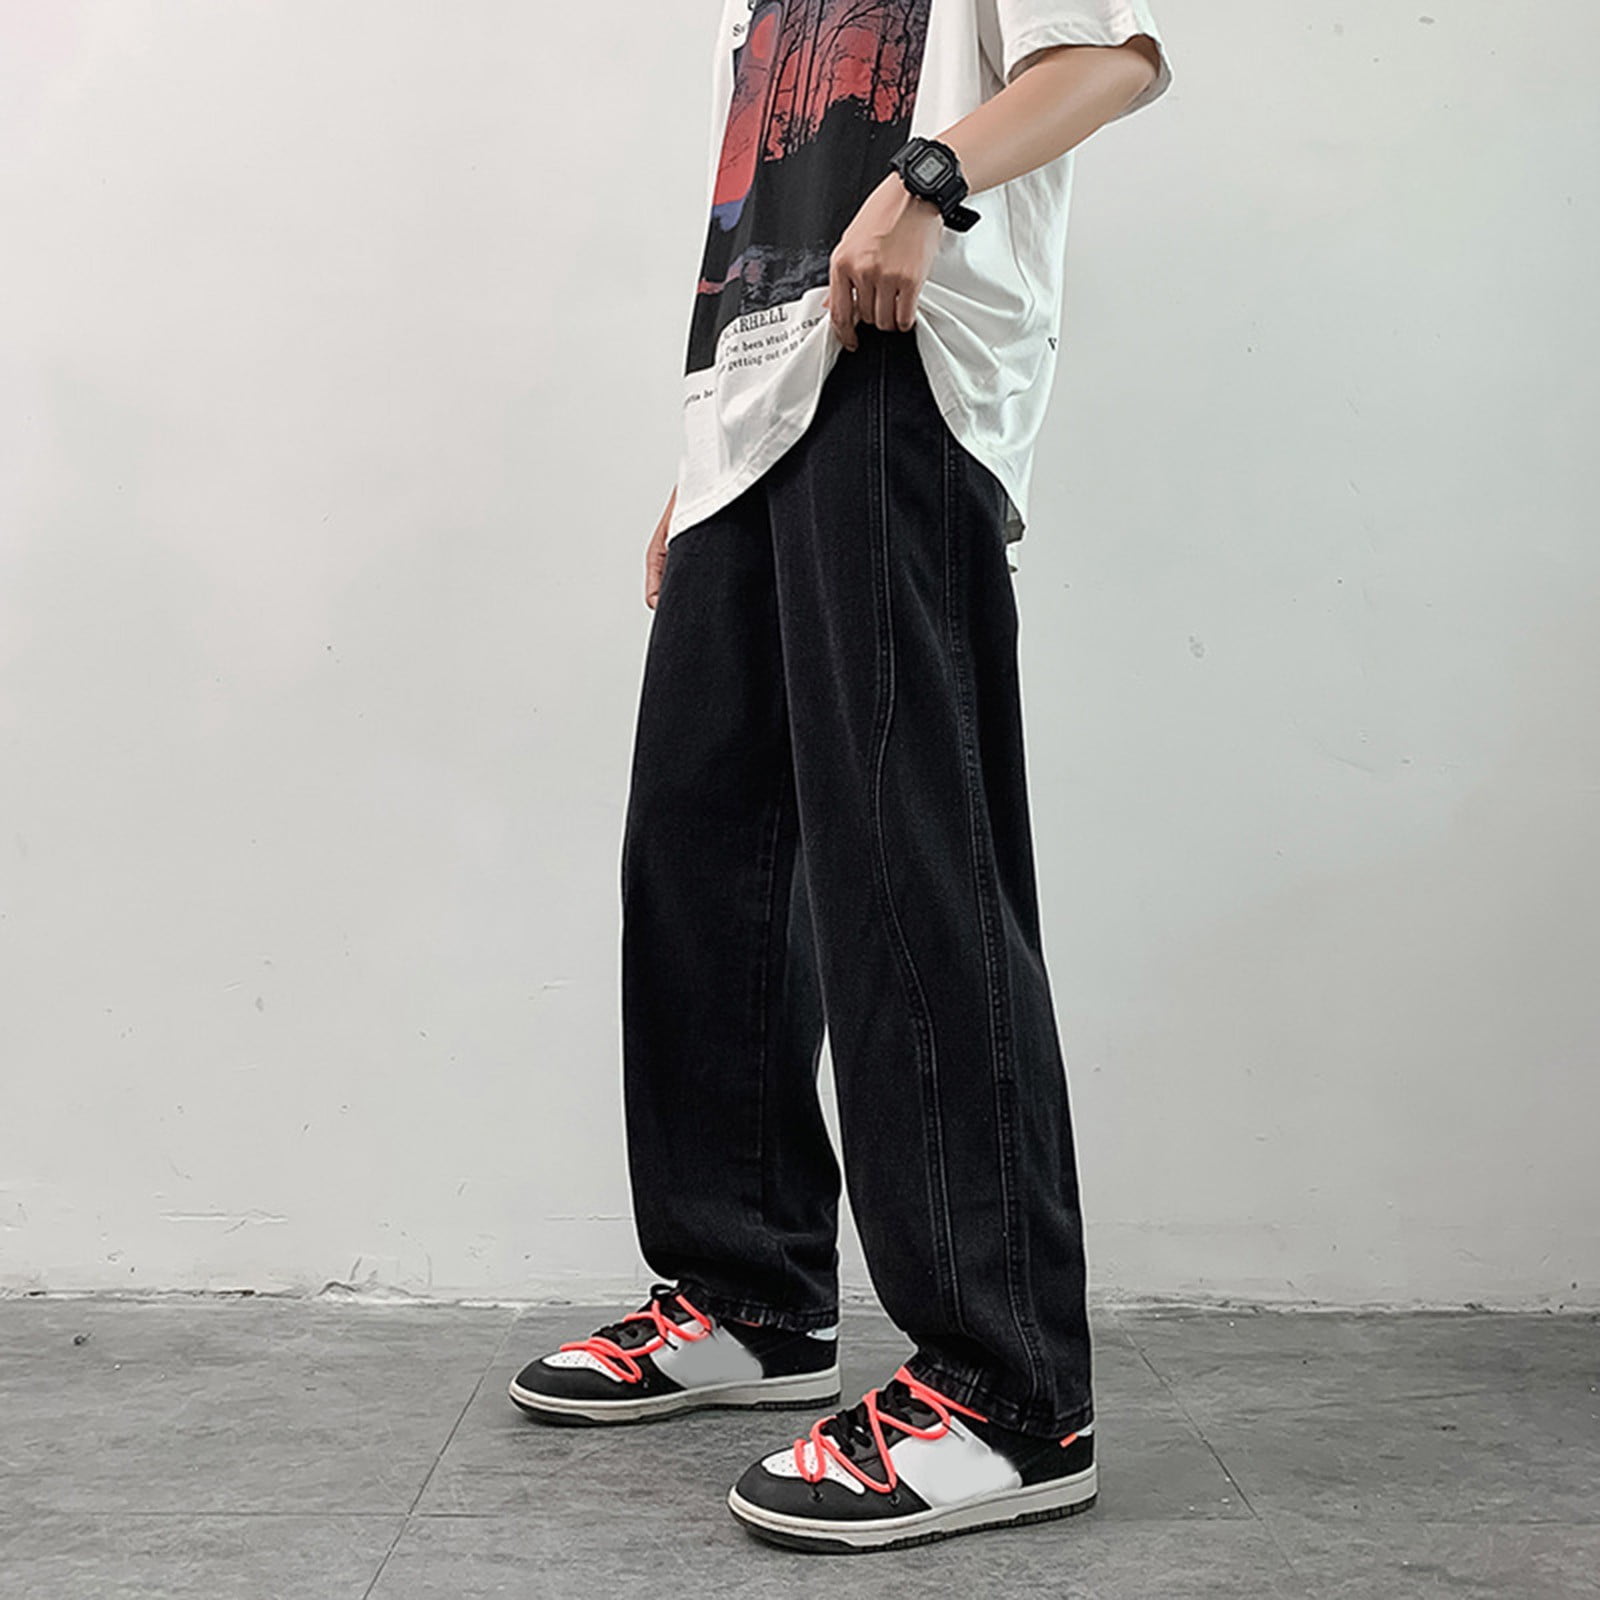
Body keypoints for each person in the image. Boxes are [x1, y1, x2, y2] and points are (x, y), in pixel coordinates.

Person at [509, 0, 1174, 1556]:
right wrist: (705, 450)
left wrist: (927, 178)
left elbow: (1114, 56)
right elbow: (765, 204)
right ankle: (747, 1293)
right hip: (755, 413)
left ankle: (1011, 1392)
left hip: (900, 381)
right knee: (699, 861)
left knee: (906, 865)